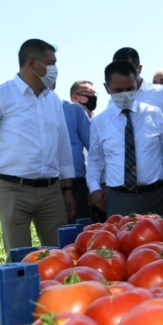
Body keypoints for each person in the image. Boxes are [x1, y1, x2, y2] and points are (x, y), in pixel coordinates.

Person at [0, 38, 75, 257]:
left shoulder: (53, 100)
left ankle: (57, 292)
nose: (55, 69)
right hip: (13, 190)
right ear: (32, 64)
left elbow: (63, 147)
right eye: (51, 62)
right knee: (20, 257)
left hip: (51, 191)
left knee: (61, 255)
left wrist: (67, 189)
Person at [87, 61, 163, 217]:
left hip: (157, 196)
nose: (125, 93)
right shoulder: (100, 122)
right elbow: (95, 160)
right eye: (119, 89)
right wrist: (95, 188)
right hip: (119, 199)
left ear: (136, 85)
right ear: (107, 88)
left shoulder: (154, 114)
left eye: (130, 88)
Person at [112, 47, 163, 117]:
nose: (123, 76)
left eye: (128, 70)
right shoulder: (113, 102)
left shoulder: (162, 93)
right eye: (119, 72)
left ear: (140, 68)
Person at [62, 81, 96, 223]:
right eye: (89, 94)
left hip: (78, 183)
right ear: (76, 96)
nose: (93, 97)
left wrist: (94, 186)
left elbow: (94, 150)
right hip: (50, 184)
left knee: (80, 229)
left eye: (94, 94)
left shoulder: (75, 111)